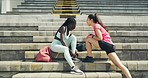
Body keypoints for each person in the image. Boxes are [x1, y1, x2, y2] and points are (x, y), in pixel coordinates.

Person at [82, 14, 132, 78]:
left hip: (106, 44)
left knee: (88, 39)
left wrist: (92, 36)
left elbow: (100, 38)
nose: (86, 21)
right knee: (118, 64)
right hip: (110, 46)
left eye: (87, 20)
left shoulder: (96, 26)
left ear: (91, 20)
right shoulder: (98, 25)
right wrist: (93, 36)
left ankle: (89, 57)